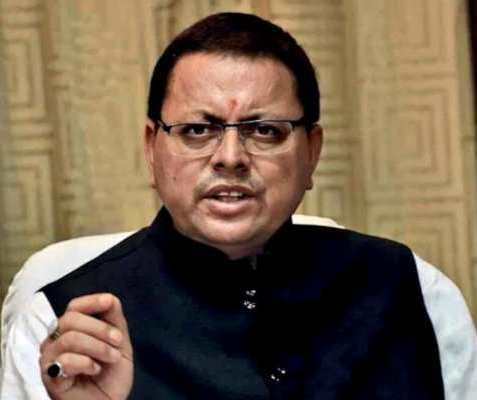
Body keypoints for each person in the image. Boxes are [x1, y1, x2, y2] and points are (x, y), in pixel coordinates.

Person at [1, 12, 476, 400]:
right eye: (197, 130)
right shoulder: (66, 325)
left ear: (312, 152)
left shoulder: (411, 288)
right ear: (151, 148)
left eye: (265, 130)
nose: (230, 158)